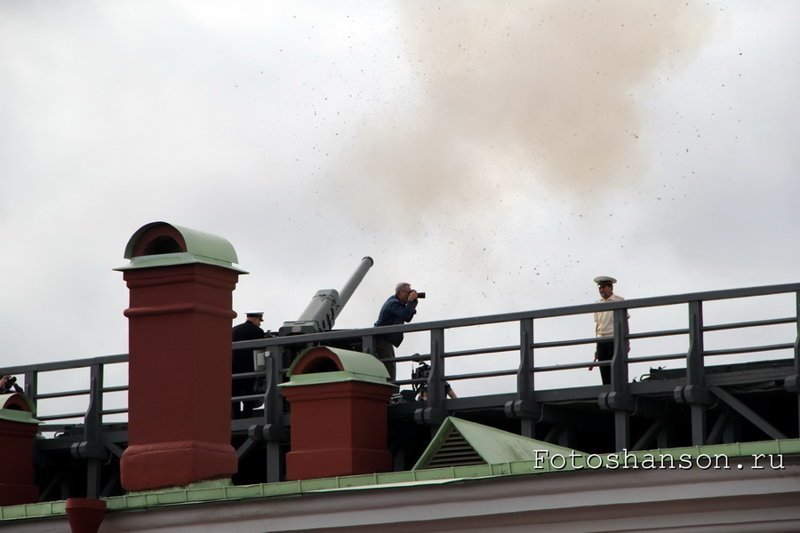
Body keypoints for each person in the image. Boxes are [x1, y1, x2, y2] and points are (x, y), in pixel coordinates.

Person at [373, 282, 420, 380]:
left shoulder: (397, 303)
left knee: (390, 365)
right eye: (408, 292)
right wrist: (410, 301)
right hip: (381, 339)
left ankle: (390, 390)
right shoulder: (393, 303)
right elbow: (405, 315)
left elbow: (407, 318)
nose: (409, 294)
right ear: (400, 292)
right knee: (390, 367)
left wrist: (413, 304)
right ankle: (390, 391)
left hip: (384, 339)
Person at [590, 276, 629, 385]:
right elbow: (598, 326)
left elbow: (625, 322)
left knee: (617, 369)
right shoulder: (597, 304)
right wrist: (596, 347)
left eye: (603, 287)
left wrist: (627, 341)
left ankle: (618, 388)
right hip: (601, 340)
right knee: (604, 370)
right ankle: (607, 389)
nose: (601, 290)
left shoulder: (619, 301)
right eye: (600, 288)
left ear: (610, 287)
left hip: (615, 339)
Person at [232, 311, 267, 418]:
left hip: (234, 368)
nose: (260, 324)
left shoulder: (234, 330)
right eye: (259, 321)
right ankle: (247, 416)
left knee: (235, 394)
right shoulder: (258, 331)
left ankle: (236, 416)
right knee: (249, 394)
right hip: (250, 368)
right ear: (256, 319)